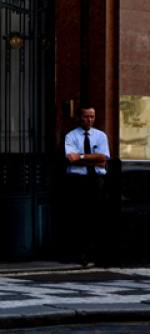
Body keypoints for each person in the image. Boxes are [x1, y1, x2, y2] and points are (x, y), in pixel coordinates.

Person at [63, 106, 109, 267]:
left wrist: (81, 156)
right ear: (79, 117)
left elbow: (103, 159)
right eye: (86, 117)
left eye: (92, 117)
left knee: (95, 216)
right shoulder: (71, 136)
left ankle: (93, 253)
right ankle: (79, 253)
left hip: (97, 180)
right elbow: (71, 159)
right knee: (79, 216)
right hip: (78, 180)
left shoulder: (101, 136)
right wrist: (93, 159)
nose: (89, 120)